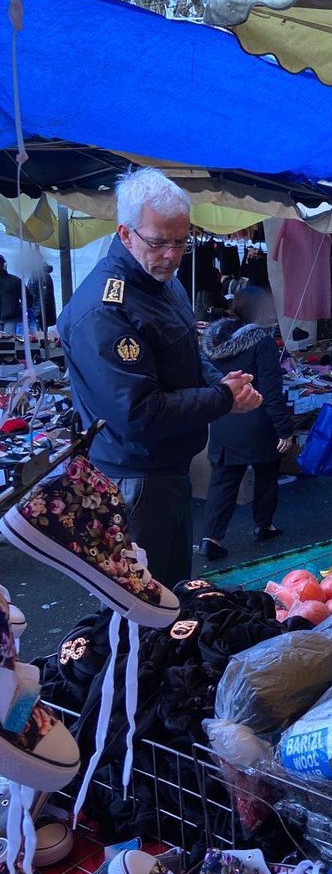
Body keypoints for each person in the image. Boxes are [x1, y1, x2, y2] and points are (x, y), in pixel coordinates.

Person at [57, 167, 262, 587]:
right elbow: (138, 412)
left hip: (166, 468)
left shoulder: (161, 283)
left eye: (181, 241)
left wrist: (225, 385)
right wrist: (222, 398)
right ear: (125, 234)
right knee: (141, 607)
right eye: (158, 242)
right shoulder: (105, 309)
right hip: (134, 476)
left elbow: (185, 353)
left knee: (173, 597)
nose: (171, 254)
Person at [198, 287, 294, 559]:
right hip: (256, 417)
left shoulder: (212, 343)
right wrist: (284, 428)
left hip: (223, 416)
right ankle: (264, 524)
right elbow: (271, 390)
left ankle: (211, 537)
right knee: (267, 472)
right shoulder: (261, 342)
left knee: (223, 480)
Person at [0, 255, 30, 334]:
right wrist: (20, 308)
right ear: (4, 265)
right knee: (9, 342)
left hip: (11, 316)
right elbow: (27, 298)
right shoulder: (15, 280)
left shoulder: (15, 281)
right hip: (11, 316)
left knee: (8, 342)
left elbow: (27, 298)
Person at [27, 262, 56, 331]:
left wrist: (36, 314)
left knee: (40, 335)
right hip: (39, 313)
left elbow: (44, 297)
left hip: (41, 314)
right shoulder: (37, 275)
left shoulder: (42, 276)